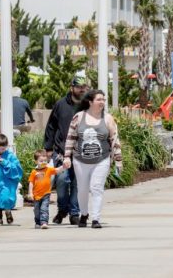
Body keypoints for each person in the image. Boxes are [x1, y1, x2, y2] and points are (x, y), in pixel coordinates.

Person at [63, 89, 122, 229]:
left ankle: (96, 218)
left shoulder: (107, 118)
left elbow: (114, 139)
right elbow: (70, 138)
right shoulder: (79, 117)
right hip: (80, 159)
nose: (102, 102)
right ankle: (84, 214)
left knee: (96, 188)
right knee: (82, 189)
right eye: (99, 99)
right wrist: (67, 157)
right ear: (90, 102)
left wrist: (118, 160)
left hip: (102, 159)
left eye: (103, 99)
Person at [44, 76, 88, 225]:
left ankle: (74, 213)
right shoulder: (60, 104)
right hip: (61, 151)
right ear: (72, 88)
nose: (82, 89)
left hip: (81, 152)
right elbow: (51, 126)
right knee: (62, 180)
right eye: (79, 87)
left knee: (78, 182)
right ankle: (62, 209)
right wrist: (48, 148)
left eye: (84, 87)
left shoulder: (88, 105)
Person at [27, 150, 67, 229]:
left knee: (44, 208)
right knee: (37, 210)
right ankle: (38, 222)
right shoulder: (34, 172)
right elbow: (31, 183)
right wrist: (30, 193)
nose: (43, 162)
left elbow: (57, 170)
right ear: (36, 162)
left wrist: (64, 167)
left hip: (46, 194)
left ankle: (44, 222)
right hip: (36, 195)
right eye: (41, 161)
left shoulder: (48, 169)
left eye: (45, 161)